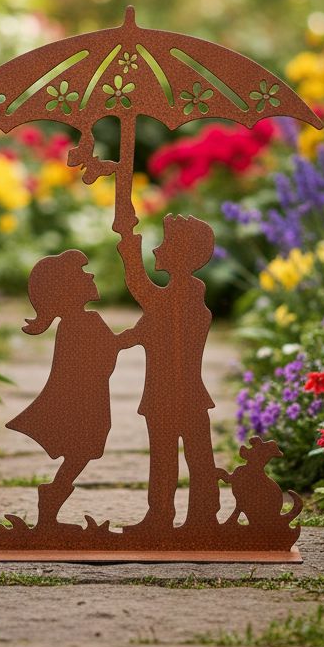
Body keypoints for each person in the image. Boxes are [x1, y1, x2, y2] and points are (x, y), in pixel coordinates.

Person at [6, 250, 137, 526]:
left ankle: (51, 500)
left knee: (84, 449)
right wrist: (136, 336)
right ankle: (51, 501)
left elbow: (105, 352)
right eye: (82, 273)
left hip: (90, 398)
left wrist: (128, 339)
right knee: (84, 448)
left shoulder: (78, 323)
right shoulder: (83, 323)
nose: (90, 274)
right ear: (68, 289)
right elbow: (104, 354)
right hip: (84, 403)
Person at [116, 212, 221, 532]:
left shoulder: (183, 299)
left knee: (194, 456)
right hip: (166, 395)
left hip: (181, 394)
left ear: (180, 256)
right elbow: (140, 331)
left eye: (163, 245)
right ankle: (161, 516)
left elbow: (140, 289)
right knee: (165, 458)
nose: (156, 250)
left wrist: (128, 241)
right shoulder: (170, 303)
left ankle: (202, 515)